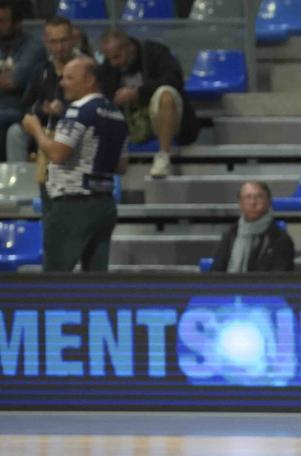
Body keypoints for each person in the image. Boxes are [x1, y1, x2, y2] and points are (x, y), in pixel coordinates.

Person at [21, 57, 128, 272]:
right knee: (95, 280)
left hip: (73, 206)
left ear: (89, 80)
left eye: (69, 78)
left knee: (55, 276)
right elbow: (121, 166)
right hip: (105, 204)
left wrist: (36, 130)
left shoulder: (77, 111)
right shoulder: (117, 115)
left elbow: (58, 155)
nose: (62, 83)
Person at [98, 28, 199, 178]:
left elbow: (175, 80)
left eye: (117, 57)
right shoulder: (109, 66)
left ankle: (163, 156)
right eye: (109, 58)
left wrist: (138, 92)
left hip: (166, 116)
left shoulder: (155, 52)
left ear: (130, 47)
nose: (114, 63)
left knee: (165, 93)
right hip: (133, 123)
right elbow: (105, 95)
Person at [7, 16, 78, 170]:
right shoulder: (42, 70)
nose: (59, 47)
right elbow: (24, 107)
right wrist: (41, 109)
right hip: (44, 127)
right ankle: (20, 185)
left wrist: (64, 109)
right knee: (15, 132)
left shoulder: (85, 68)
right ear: (46, 42)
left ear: (73, 39)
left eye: (63, 40)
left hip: (74, 127)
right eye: (53, 42)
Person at [210, 181, 295, 272]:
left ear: (269, 202)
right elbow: (216, 271)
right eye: (248, 197)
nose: (252, 202)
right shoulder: (230, 234)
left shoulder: (280, 239)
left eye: (258, 197)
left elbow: (280, 278)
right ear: (240, 203)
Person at [0, 0, 45, 160]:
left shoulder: (33, 46)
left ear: (17, 22)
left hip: (19, 108)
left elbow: (14, 81)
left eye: (2, 21)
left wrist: (9, 80)